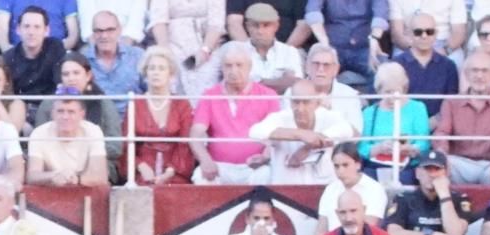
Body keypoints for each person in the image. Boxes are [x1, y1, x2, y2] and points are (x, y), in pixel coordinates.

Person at [189, 41, 277, 183]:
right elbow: (196, 132)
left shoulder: (268, 95)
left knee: (266, 175)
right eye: (228, 65)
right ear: (222, 68)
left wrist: (265, 156)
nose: (234, 70)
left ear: (249, 67)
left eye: (239, 65)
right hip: (219, 166)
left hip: (255, 166)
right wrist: (205, 160)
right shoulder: (209, 95)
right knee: (200, 176)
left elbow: (276, 134)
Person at [434, 49, 490, 183]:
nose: (479, 76)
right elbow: (442, 133)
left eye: (485, 71)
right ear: (466, 74)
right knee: (438, 166)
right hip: (459, 163)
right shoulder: (451, 102)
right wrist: (442, 154)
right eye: (474, 70)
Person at [248, 77, 353, 183]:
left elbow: (346, 130)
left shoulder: (327, 116)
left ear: (317, 103)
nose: (300, 108)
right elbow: (255, 132)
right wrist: (299, 134)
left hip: (323, 189)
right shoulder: (281, 117)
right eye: (296, 102)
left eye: (306, 102)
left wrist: (308, 147)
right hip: (286, 189)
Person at [129, 44, 197, 184]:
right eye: (151, 68)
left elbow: (185, 145)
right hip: (143, 172)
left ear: (170, 74)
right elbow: (127, 145)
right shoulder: (135, 103)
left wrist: (169, 172)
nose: (156, 72)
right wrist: (141, 166)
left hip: (175, 172)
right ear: (145, 72)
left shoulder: (182, 104)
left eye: (161, 68)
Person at [384, 147, 472, 235]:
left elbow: (455, 234)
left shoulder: (460, 199)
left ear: (446, 173)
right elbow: (393, 234)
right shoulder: (404, 199)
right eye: (427, 169)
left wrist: (444, 195)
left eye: (437, 169)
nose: (432, 175)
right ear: (417, 173)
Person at [358, 60, 429, 183]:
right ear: (379, 91)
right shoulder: (369, 112)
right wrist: (379, 148)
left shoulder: (417, 108)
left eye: (397, 92)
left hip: (407, 167)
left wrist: (410, 148)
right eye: (387, 92)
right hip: (376, 167)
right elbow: (362, 149)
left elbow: (424, 144)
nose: (392, 97)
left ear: (404, 89)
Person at [3, 4, 67, 120]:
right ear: (18, 29)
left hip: (50, 111)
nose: (31, 32)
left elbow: (60, 85)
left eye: (37, 27)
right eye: (26, 26)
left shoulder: (56, 48)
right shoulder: (8, 58)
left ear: (46, 30)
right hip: (21, 113)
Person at [149, 0, 225, 96]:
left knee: (207, 73)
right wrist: (166, 52)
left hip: (206, 44)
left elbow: (216, 24)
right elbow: (158, 21)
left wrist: (205, 50)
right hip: (171, 44)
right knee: (169, 70)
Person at [303, 0, 385, 86]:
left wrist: (374, 39)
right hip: (333, 47)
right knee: (318, 67)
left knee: (382, 70)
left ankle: (376, 100)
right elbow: (313, 12)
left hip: (364, 48)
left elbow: (381, 14)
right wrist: (324, 41)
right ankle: (319, 99)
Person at [393, 11, 457, 120]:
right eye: (418, 32)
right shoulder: (396, 65)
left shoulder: (448, 66)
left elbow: (452, 103)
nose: (424, 36)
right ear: (409, 34)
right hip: (405, 125)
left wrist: (436, 121)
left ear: (436, 34)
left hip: (439, 127)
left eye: (429, 31)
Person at [315, 140, 386, 235]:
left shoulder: (374, 189)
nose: (341, 171)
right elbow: (321, 229)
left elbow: (369, 228)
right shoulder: (330, 189)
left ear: (358, 164)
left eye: (345, 165)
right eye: (336, 166)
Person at [242, 2, 302, 90]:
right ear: (247, 26)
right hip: (246, 103)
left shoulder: (289, 52)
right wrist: (280, 82)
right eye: (255, 25)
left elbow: (295, 85)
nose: (260, 31)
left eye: (266, 25)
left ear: (276, 26)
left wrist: (255, 82)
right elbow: (237, 87)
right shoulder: (236, 52)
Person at [388, 0, 466, 53]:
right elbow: (397, 33)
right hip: (409, 44)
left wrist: (445, 51)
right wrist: (414, 51)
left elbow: (459, 32)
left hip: (444, 44)